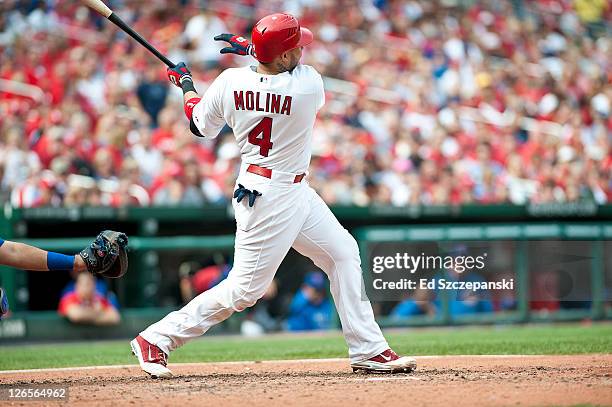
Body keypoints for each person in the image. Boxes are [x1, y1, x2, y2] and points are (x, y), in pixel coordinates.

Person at [130, 13, 416, 378]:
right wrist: (251, 49)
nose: (302, 50)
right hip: (269, 196)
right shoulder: (307, 85)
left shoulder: (229, 81)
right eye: (296, 46)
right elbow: (276, 68)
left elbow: (199, 124)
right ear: (281, 57)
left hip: (287, 189)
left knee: (342, 253)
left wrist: (186, 85)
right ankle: (157, 338)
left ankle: (368, 349)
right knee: (245, 291)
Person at [0, 231, 128, 320]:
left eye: (90, 283)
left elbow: (13, 252)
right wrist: (98, 313)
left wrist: (77, 262)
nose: (88, 287)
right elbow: (75, 315)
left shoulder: (99, 297)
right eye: (84, 284)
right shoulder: (70, 296)